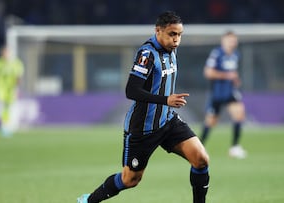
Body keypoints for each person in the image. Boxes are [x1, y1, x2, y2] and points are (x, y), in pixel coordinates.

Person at [77, 11, 210, 203]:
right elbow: (131, 90)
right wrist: (166, 100)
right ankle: (88, 200)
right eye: (172, 34)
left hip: (168, 120)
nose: (177, 39)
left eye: (180, 35)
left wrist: (167, 105)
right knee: (130, 179)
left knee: (201, 159)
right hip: (143, 128)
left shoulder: (172, 49)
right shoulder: (147, 55)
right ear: (158, 31)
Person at [200, 31, 247, 159]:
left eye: (234, 40)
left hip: (230, 92)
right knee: (211, 122)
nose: (232, 43)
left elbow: (232, 72)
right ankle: (199, 147)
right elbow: (208, 72)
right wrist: (227, 76)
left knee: (239, 114)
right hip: (218, 93)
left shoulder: (235, 55)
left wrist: (235, 79)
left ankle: (235, 147)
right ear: (223, 41)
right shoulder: (217, 54)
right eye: (230, 40)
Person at [0, 46, 24, 137]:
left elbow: (19, 77)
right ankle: (5, 127)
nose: (5, 54)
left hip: (11, 89)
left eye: (7, 52)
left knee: (10, 108)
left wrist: (18, 88)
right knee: (3, 108)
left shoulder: (16, 63)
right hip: (0, 89)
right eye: (4, 52)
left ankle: (10, 126)